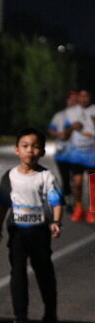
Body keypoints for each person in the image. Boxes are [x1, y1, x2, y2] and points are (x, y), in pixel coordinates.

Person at [0, 127, 63, 323]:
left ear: (42, 151)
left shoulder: (46, 176)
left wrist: (56, 222)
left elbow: (56, 201)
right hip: (17, 232)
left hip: (39, 232)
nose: (30, 150)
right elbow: (3, 204)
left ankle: (50, 314)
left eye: (35, 147)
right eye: (25, 146)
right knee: (18, 273)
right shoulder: (10, 176)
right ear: (17, 150)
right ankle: (20, 318)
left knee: (44, 272)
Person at [62, 88, 95, 223]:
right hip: (77, 153)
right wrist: (72, 127)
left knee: (93, 184)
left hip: (93, 153)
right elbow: (64, 135)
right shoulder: (70, 112)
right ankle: (79, 207)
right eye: (81, 96)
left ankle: (92, 210)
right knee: (77, 183)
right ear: (78, 98)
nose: (84, 98)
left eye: (86, 96)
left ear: (90, 97)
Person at [47, 90, 78, 211]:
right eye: (71, 99)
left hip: (79, 154)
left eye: (76, 99)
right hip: (62, 153)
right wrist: (58, 134)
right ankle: (69, 203)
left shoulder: (83, 115)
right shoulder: (59, 115)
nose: (73, 101)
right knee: (65, 180)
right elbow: (51, 129)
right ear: (67, 100)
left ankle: (78, 203)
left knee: (76, 180)